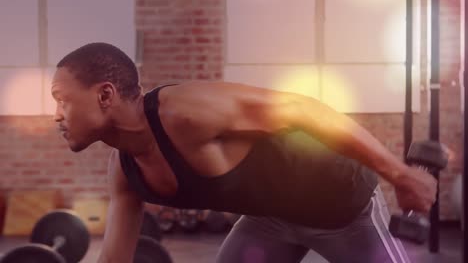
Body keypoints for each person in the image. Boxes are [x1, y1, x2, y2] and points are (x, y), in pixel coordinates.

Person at [51, 42, 436, 263]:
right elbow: (114, 260)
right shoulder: (124, 170)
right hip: (270, 220)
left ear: (105, 95)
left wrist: (399, 174)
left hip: (342, 209)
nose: (56, 116)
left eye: (61, 101)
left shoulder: (186, 111)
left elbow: (304, 109)